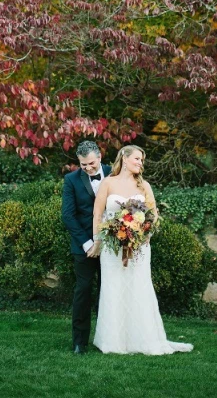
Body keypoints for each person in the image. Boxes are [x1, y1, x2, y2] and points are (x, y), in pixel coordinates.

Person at [91, 145, 194, 355]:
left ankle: (143, 339)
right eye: (137, 159)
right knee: (114, 289)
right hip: (112, 250)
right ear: (125, 158)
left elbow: (153, 216)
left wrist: (142, 236)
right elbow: (98, 214)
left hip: (138, 249)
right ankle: (113, 341)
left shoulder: (144, 185)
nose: (140, 163)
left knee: (139, 289)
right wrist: (98, 241)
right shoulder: (107, 183)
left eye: (142, 160)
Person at [61, 140, 111, 354]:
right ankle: (79, 342)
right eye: (83, 165)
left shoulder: (115, 173)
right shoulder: (71, 180)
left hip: (112, 245)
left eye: (91, 163)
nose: (88, 168)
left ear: (99, 157)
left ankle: (107, 339)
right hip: (84, 247)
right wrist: (88, 242)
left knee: (109, 291)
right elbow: (68, 215)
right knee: (83, 291)